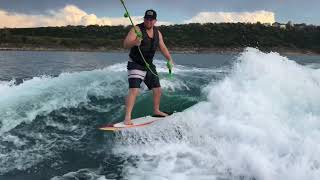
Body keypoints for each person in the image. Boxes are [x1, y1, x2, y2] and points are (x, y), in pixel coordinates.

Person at [123, 9, 174, 125]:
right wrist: (135, 42)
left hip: (148, 65)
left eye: (151, 20)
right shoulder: (136, 29)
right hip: (135, 63)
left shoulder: (158, 33)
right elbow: (125, 44)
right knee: (134, 90)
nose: (148, 21)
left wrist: (169, 59)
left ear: (155, 21)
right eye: (147, 19)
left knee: (157, 89)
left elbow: (163, 47)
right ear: (144, 19)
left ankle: (156, 110)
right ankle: (127, 117)